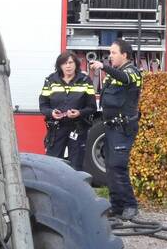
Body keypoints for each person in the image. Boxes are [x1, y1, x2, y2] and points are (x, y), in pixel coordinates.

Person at [89, 39, 142, 221]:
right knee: (110, 168)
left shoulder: (133, 72)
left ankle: (130, 206)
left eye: (113, 53)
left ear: (124, 55)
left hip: (123, 127)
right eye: (109, 53)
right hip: (110, 126)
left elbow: (125, 79)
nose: (110, 56)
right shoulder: (114, 73)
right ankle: (117, 206)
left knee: (118, 166)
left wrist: (103, 67)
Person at [38, 50, 97, 170]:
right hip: (56, 128)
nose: (68, 66)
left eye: (70, 62)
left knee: (76, 166)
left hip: (78, 128)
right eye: (64, 63)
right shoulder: (51, 81)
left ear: (76, 64)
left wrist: (79, 113)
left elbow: (92, 107)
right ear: (60, 66)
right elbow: (43, 106)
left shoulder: (85, 81)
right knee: (52, 165)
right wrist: (52, 113)